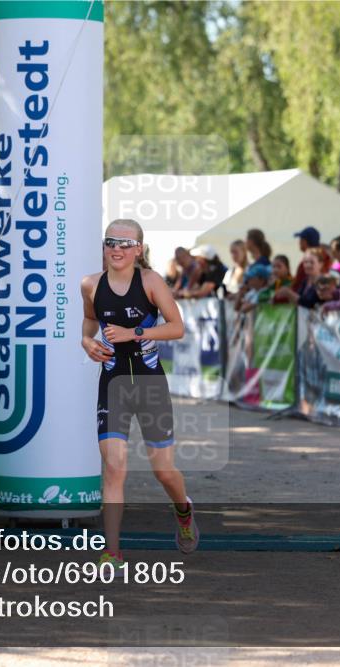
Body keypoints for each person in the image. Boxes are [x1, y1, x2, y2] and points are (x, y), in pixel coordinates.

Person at [80, 218, 198, 570]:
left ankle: (184, 510)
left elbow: (176, 328)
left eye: (124, 243)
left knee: (164, 472)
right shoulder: (90, 285)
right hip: (113, 385)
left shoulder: (150, 282)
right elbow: (88, 324)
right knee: (114, 468)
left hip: (150, 385)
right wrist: (87, 342)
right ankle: (111, 552)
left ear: (138, 250)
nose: (116, 249)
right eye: (110, 242)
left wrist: (136, 332)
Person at [290, 227, 321, 292]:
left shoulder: (307, 263)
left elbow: (298, 285)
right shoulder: (321, 257)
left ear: (305, 241)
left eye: (301, 240)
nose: (299, 242)